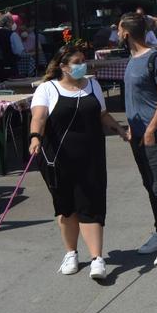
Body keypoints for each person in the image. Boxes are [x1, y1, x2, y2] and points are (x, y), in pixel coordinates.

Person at [28, 46, 129, 280]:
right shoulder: (47, 88)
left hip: (91, 156)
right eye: (77, 62)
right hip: (58, 158)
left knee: (91, 203)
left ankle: (97, 258)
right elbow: (39, 116)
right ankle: (71, 253)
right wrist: (35, 137)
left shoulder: (93, 85)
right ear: (63, 66)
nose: (82, 65)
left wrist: (119, 129)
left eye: (83, 60)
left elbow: (102, 114)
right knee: (66, 206)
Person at [118, 12, 157, 267]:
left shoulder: (155, 59)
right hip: (138, 134)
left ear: (125, 32)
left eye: (118, 29)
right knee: (149, 184)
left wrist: (150, 129)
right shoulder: (132, 59)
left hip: (156, 134)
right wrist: (133, 127)